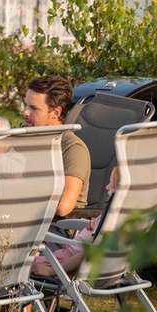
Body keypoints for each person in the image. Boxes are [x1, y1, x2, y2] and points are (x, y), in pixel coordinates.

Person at [22, 75, 90, 217]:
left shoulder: (73, 149)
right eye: (25, 105)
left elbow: (63, 207)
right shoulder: (28, 141)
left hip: (56, 229)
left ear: (56, 113)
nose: (25, 113)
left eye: (33, 108)